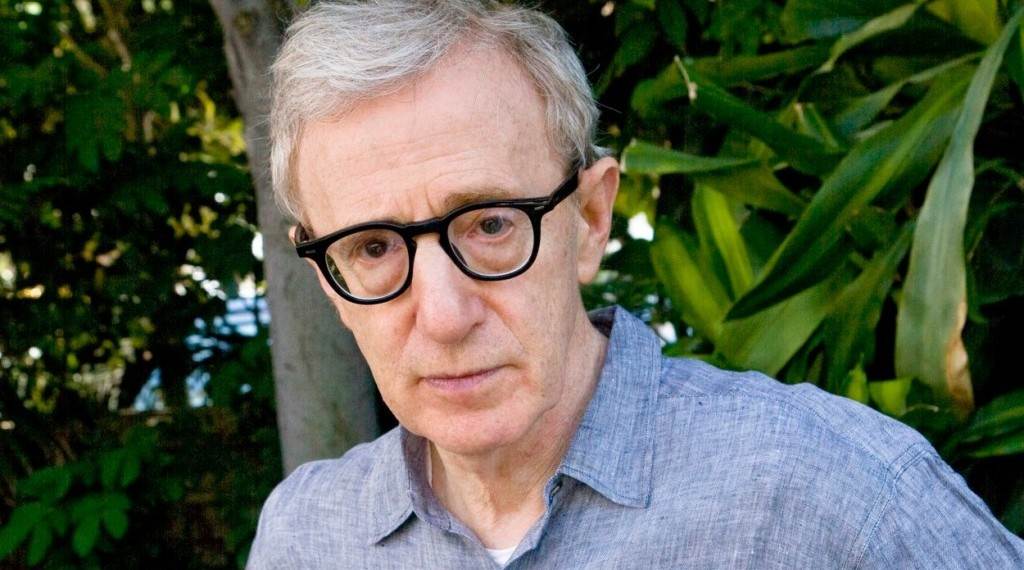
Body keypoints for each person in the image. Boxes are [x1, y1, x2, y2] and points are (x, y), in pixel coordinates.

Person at [247, 1, 1024, 567]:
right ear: (328, 278)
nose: (445, 316)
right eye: (373, 247)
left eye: (490, 225)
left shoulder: (836, 495)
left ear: (590, 219)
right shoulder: (306, 537)